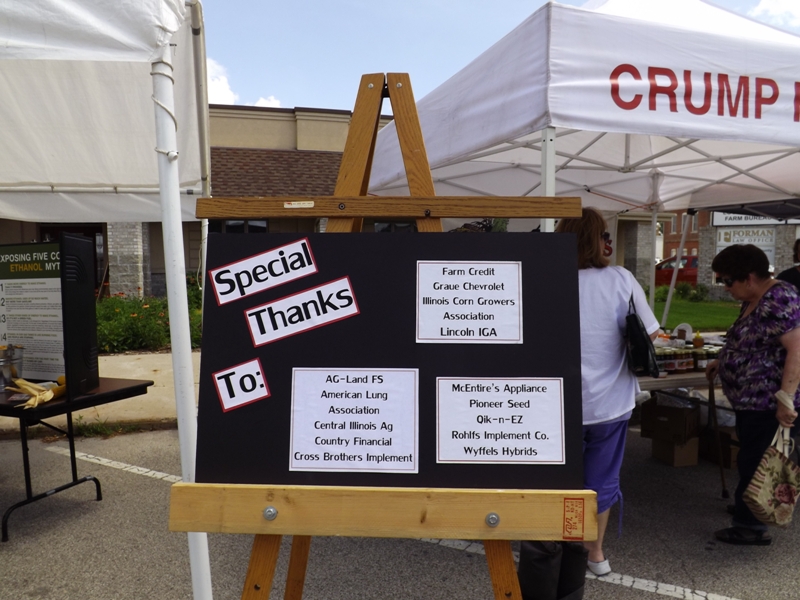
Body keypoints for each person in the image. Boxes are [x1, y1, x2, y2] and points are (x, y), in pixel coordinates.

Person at [555, 208, 659, 575]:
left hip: (558, 404)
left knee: (559, 481)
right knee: (601, 481)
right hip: (611, 403)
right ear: (598, 240)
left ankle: (559, 546)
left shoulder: (547, 280)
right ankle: (594, 553)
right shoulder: (621, 279)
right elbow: (651, 332)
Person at [706, 244, 800, 546]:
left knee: (757, 460)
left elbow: (797, 349)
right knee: (751, 457)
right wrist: (723, 359)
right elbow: (750, 338)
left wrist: (785, 399)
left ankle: (750, 526)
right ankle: (750, 505)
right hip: (752, 402)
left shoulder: (779, 298)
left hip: (767, 402)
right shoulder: (754, 298)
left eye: (727, 280)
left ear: (748, 277)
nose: (725, 287)